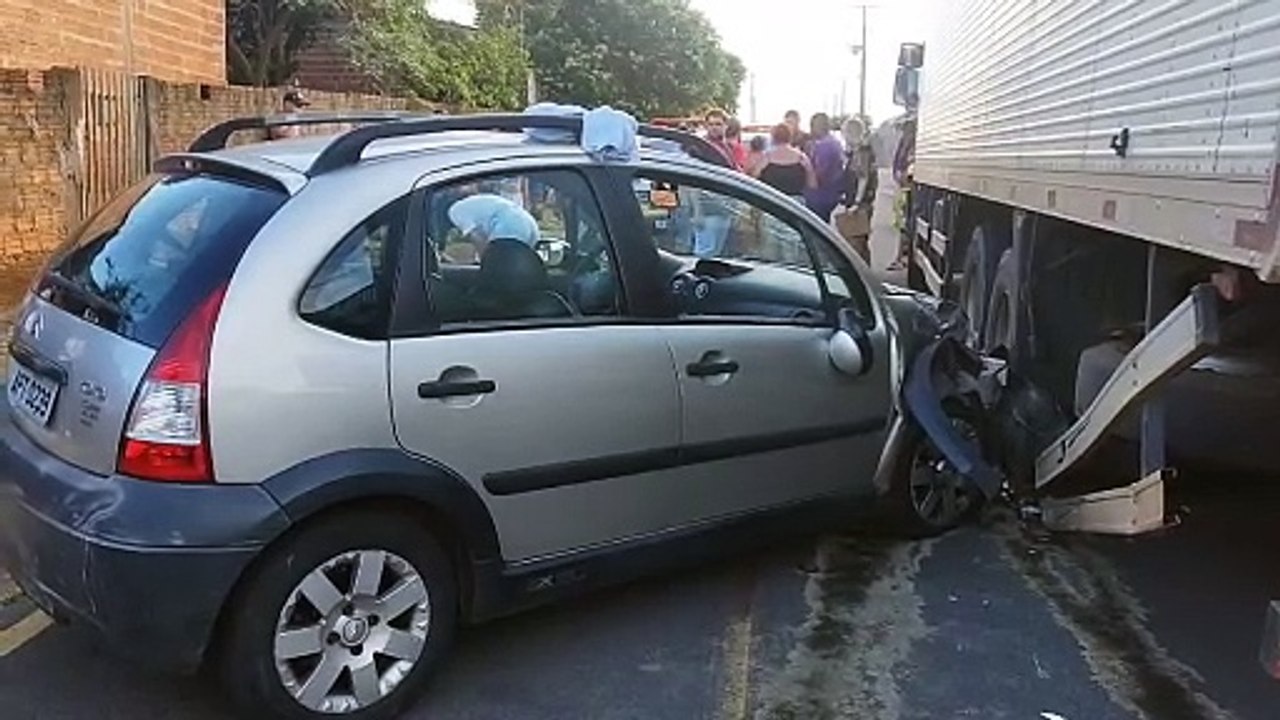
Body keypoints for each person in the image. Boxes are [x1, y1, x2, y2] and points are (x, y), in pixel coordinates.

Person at [447, 193, 540, 258]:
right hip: (528, 221)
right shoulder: (470, 204)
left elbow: (477, 238)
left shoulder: (454, 211)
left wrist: (484, 261)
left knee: (499, 266)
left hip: (509, 224)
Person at [751, 124, 816, 202]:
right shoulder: (801, 157)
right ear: (790, 137)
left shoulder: (767, 157)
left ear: (774, 138)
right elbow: (813, 184)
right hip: (796, 203)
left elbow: (754, 176)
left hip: (772, 200)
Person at [803, 113, 845, 222]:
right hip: (831, 194)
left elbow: (819, 173)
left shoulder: (825, 146)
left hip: (820, 197)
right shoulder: (835, 143)